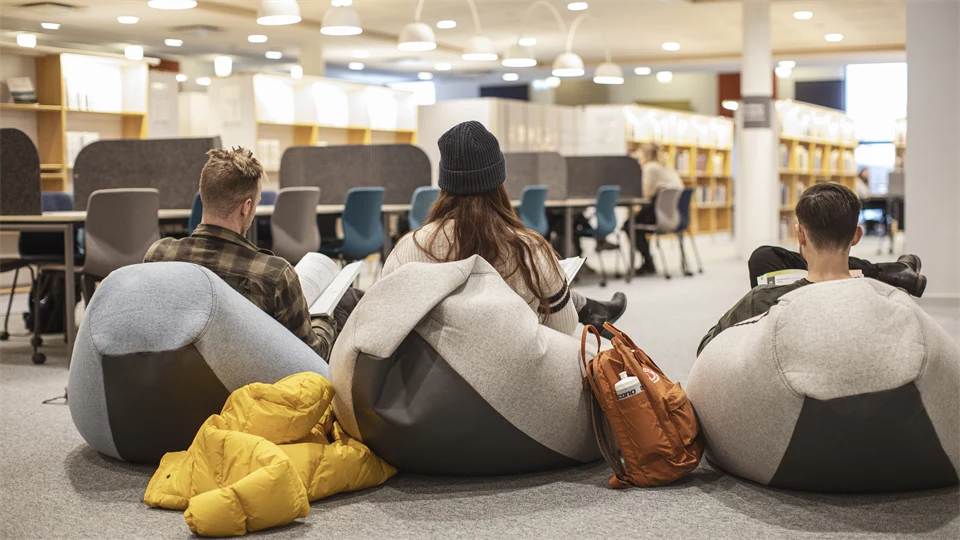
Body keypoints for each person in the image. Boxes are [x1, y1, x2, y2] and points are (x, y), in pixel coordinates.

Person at [382, 121, 627, 337]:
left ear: (444, 183)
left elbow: (386, 318)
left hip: (432, 383)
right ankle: (589, 307)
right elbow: (563, 327)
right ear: (499, 182)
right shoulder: (528, 248)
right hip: (516, 382)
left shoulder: (409, 248)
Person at [144, 147, 356, 360]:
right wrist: (325, 320)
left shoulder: (158, 255)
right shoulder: (274, 274)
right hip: (250, 385)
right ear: (246, 207)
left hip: (175, 378)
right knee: (347, 301)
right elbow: (311, 356)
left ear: (203, 194)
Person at [699, 183, 926, 356]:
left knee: (763, 258)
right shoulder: (888, 301)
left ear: (800, 234)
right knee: (765, 256)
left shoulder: (763, 299)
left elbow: (706, 349)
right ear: (857, 236)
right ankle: (888, 271)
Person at [633, 143, 684, 275]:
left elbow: (645, 194)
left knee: (630, 225)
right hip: (674, 216)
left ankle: (648, 261)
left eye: (640, 156)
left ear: (646, 156)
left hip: (658, 216)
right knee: (635, 223)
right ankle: (648, 261)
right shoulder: (667, 167)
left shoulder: (650, 167)